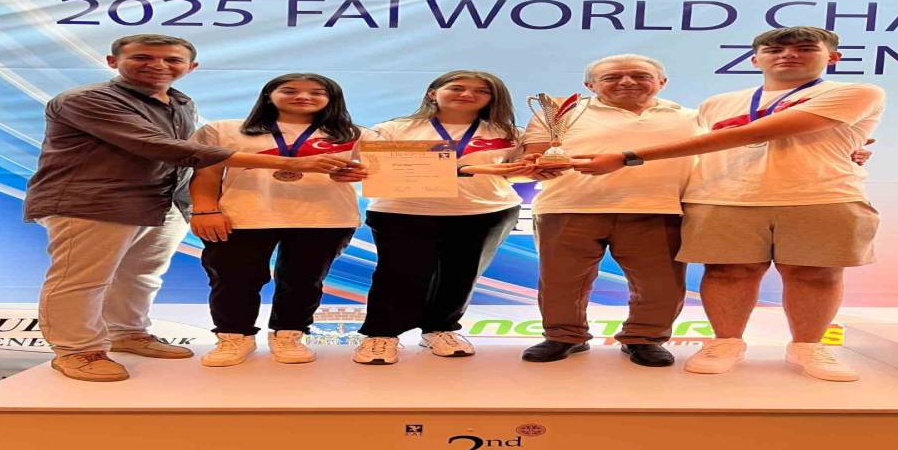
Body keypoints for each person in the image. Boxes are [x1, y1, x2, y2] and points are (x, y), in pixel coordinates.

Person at [24, 34, 354, 382]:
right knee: (82, 279)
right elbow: (162, 148)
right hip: (95, 202)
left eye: (172, 60)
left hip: (160, 201)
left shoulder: (180, 102)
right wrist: (290, 164)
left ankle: (127, 332)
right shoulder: (86, 100)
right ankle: (77, 350)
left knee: (140, 274)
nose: (158, 66)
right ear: (112, 61)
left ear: (191, 67)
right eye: (143, 57)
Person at [574, 26, 884, 382]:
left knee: (815, 275)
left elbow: (757, 132)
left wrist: (627, 157)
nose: (788, 55)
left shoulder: (857, 92)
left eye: (804, 48)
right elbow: (688, 143)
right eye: (774, 50)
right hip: (722, 195)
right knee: (727, 273)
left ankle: (808, 346)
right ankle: (725, 342)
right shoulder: (716, 103)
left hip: (821, 195)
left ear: (832, 57)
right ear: (755, 60)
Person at [519, 55, 701, 367]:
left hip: (657, 208)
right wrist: (536, 166)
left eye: (639, 75)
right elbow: (533, 158)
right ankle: (564, 336)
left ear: (662, 82)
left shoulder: (691, 117)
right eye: (612, 77)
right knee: (561, 281)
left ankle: (645, 338)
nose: (627, 82)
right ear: (590, 85)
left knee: (660, 284)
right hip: (568, 207)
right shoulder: (560, 114)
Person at [352, 70, 536, 365]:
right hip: (404, 211)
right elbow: (375, 166)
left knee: (461, 276)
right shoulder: (395, 129)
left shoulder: (508, 132)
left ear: (493, 98)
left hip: (485, 211)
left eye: (481, 91)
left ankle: (440, 329)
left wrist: (534, 170)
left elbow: (516, 173)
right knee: (398, 275)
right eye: (458, 87)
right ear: (432, 93)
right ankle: (381, 334)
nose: (468, 94)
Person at [189, 73, 368, 367]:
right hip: (243, 216)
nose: (303, 96)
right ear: (268, 95)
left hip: (325, 218)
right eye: (290, 90)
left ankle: (289, 334)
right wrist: (205, 210)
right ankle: (234, 336)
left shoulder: (354, 134)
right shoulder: (224, 129)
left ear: (332, 98)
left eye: (316, 92)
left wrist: (358, 174)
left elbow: (389, 170)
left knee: (304, 281)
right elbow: (206, 172)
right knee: (233, 280)